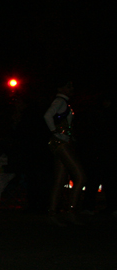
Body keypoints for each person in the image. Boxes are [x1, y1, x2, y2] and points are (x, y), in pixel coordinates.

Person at [43, 79, 86, 226]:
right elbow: (47, 115)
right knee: (80, 176)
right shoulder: (60, 101)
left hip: (60, 142)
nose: (71, 89)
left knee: (60, 179)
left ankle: (52, 213)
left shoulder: (63, 102)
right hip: (60, 143)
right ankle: (71, 211)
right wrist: (55, 132)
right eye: (68, 86)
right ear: (60, 88)